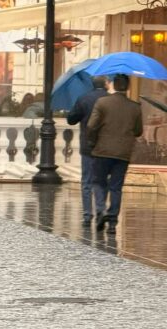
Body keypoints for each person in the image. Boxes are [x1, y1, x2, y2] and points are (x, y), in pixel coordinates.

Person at [87, 74, 143, 235]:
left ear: (112, 85)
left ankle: (100, 210)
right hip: (123, 153)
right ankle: (112, 223)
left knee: (98, 182)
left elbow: (91, 126)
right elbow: (139, 131)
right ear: (128, 87)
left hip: (102, 150)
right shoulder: (135, 107)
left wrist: (92, 141)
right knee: (116, 187)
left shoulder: (102, 103)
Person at [67, 76, 109, 227]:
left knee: (87, 181)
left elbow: (71, 119)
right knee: (102, 180)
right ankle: (100, 209)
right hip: (105, 147)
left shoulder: (84, 99)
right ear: (105, 84)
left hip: (87, 146)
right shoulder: (110, 100)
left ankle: (87, 215)